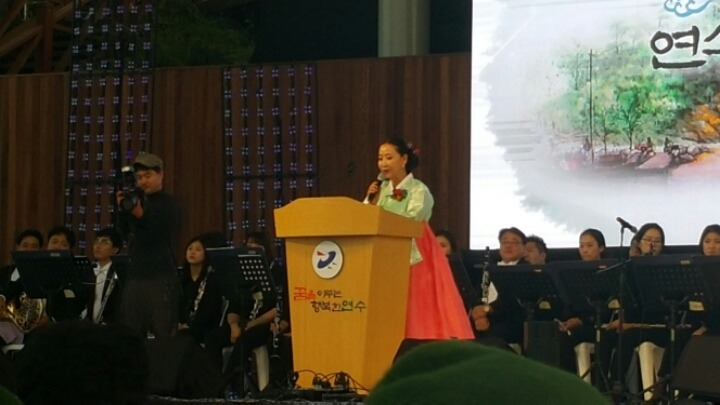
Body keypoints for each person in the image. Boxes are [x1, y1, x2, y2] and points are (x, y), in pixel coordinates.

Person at [365, 138, 473, 341]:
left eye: (389, 157)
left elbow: (412, 220)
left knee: (417, 302)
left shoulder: (418, 190)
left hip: (414, 253)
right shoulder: (381, 189)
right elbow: (364, 219)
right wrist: (371, 200)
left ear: (404, 159)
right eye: (380, 158)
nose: (383, 163)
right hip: (383, 254)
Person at [116, 153, 181, 339]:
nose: (143, 181)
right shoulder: (138, 200)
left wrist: (140, 216)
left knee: (163, 331)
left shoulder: (168, 204)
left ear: (161, 174)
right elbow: (125, 234)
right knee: (131, 332)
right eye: (139, 177)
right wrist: (123, 211)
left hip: (159, 275)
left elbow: (157, 236)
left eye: (148, 176)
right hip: (136, 273)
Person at [177, 235, 225, 360]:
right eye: (190, 248)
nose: (192, 252)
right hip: (184, 325)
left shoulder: (212, 279)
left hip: (205, 326)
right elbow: (176, 304)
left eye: (198, 249)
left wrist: (190, 325)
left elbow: (212, 310)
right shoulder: (181, 279)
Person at [84, 227, 124, 324]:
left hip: (111, 326)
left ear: (115, 250)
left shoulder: (120, 273)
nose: (98, 246)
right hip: (90, 325)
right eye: (96, 241)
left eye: (104, 242)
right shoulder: (89, 271)